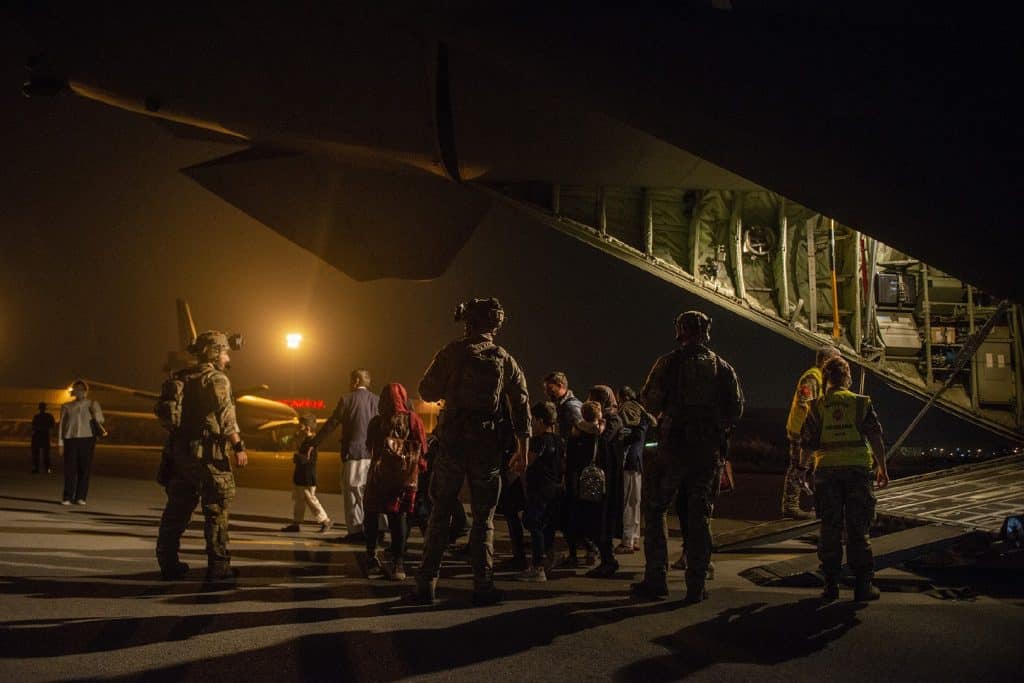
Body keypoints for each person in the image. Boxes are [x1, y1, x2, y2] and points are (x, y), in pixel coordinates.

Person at [406, 297, 531, 606]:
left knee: (440, 514)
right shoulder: (504, 358)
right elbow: (522, 404)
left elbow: (426, 390)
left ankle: (426, 583)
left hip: (452, 445)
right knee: (483, 519)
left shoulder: (453, 352)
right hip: (487, 449)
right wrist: (523, 449)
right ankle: (483, 585)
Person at [631, 310, 743, 604]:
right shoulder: (722, 367)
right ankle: (697, 584)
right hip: (707, 453)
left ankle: (656, 579)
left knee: (656, 511)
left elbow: (650, 400)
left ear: (680, 331)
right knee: (699, 516)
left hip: (674, 449)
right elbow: (736, 410)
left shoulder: (667, 364)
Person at [155, 330, 248, 581]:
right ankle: (219, 568)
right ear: (215, 352)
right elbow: (227, 419)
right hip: (207, 456)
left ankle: (168, 562)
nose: (228, 357)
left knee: (176, 509)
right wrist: (238, 448)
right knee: (216, 510)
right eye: (225, 352)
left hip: (178, 456)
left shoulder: (181, 377)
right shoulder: (217, 379)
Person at [797, 355, 889, 603]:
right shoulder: (861, 403)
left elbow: (807, 444)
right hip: (858, 471)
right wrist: (882, 467)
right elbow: (876, 438)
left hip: (826, 473)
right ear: (847, 378)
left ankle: (830, 586)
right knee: (859, 529)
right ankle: (862, 587)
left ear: (825, 378)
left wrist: (802, 470)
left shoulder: (817, 406)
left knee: (830, 528)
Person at [363, 383, 428, 581]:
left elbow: (369, 447)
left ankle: (371, 559)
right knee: (399, 517)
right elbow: (423, 447)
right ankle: (398, 564)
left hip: (379, 476)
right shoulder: (412, 419)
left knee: (371, 514)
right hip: (405, 477)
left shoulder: (377, 422)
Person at [313, 369, 379, 543]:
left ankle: (356, 532)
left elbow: (332, 424)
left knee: (351, 494)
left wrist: (314, 443)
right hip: (371, 455)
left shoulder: (347, 399)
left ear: (356, 381)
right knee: (367, 494)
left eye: (350, 380)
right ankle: (373, 530)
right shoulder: (376, 400)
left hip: (354, 453)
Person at [783, 345, 841, 519]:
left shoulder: (821, 378)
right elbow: (805, 402)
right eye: (835, 362)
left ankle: (814, 506)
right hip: (802, 431)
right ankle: (790, 506)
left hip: (810, 430)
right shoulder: (812, 377)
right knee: (798, 466)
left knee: (813, 468)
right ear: (825, 361)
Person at [578, 390, 624, 579]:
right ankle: (606, 558)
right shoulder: (607, 419)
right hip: (604, 478)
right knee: (598, 520)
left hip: (607, 480)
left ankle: (608, 560)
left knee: (603, 519)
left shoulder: (612, 420)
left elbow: (604, 441)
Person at [515, 401, 564, 582]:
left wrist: (517, 460)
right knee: (545, 525)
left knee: (533, 523)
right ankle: (549, 555)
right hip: (553, 487)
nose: (532, 424)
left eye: (533, 420)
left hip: (539, 487)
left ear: (540, 420)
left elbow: (525, 463)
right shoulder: (558, 440)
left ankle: (537, 567)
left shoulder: (538, 441)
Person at [616, 386, 656, 554]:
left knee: (627, 503)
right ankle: (635, 538)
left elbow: (628, 436)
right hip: (638, 462)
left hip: (628, 463)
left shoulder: (626, 412)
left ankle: (627, 542)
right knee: (635, 502)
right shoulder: (643, 415)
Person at [281, 413, 333, 534]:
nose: (298, 428)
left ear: (307, 428)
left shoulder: (312, 443)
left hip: (307, 478)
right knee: (299, 501)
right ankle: (296, 523)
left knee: (311, 500)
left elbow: (310, 460)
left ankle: (325, 520)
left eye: (301, 426)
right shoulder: (305, 440)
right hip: (300, 477)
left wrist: (298, 457)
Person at [58, 380, 104, 505]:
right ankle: (67, 496)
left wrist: (95, 412)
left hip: (87, 439)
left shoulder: (92, 404)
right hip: (70, 439)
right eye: (76, 389)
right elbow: (62, 425)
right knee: (70, 469)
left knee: (84, 469)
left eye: (81, 389)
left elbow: (101, 420)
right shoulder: (66, 406)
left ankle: (81, 496)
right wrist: (60, 443)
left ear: (86, 391)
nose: (79, 392)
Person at [543, 372, 584, 438]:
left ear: (560, 386)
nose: (547, 393)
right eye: (546, 389)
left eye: (550, 389)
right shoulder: (564, 406)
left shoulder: (571, 407)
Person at [31, 402, 56, 474]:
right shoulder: (49, 416)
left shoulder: (37, 416)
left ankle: (36, 468)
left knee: (36, 454)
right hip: (45, 435)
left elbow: (33, 426)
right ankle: (47, 469)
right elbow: (52, 425)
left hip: (37, 436)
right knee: (46, 454)